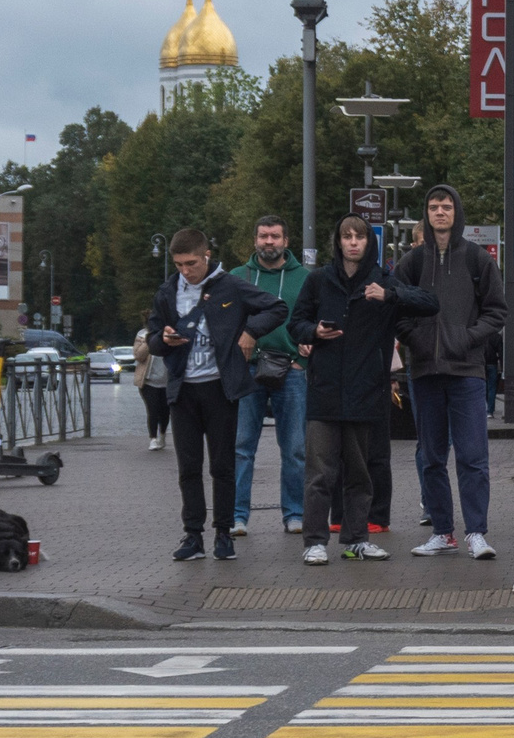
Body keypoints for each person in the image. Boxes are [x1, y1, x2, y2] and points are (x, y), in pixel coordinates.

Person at [293, 215, 438, 563]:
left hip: (366, 390)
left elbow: (429, 303)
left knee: (360, 472)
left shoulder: (384, 279)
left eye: (359, 236)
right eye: (347, 236)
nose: (353, 242)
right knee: (320, 473)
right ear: (338, 242)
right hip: (325, 391)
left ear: (368, 242)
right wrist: (314, 333)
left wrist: (389, 295)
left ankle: (356, 538)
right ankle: (314, 541)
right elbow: (295, 324)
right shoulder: (319, 280)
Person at [147, 228, 291, 563]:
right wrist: (163, 339)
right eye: (180, 264)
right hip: (182, 389)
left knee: (223, 465)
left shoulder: (229, 285)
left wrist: (250, 332)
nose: (186, 270)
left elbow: (277, 308)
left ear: (206, 255)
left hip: (219, 387)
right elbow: (153, 335)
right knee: (188, 467)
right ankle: (193, 535)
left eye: (192, 263)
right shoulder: (168, 290)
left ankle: (223, 534)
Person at [396, 184, 508, 561]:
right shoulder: (411, 262)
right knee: (431, 456)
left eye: (446, 206)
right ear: (425, 214)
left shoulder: (477, 259)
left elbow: (497, 311)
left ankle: (477, 531)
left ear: (456, 212)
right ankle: (443, 532)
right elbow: (394, 308)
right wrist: (416, 339)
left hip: (466, 371)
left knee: (473, 455)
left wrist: (466, 339)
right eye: (433, 207)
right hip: (424, 370)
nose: (440, 212)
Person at [227, 214, 311, 538]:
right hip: (248, 371)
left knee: (294, 448)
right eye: (263, 236)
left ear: (286, 241)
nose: (269, 242)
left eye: (275, 236)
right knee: (241, 446)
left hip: (290, 370)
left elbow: (311, 320)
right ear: (255, 240)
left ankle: (294, 513)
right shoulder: (238, 277)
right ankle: (237, 517)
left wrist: (304, 357)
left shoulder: (304, 278)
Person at [133, 327, 170, 449]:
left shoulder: (170, 331)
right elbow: (138, 356)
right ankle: (153, 438)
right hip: (148, 381)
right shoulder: (142, 334)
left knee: (165, 411)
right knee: (152, 409)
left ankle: (162, 435)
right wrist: (149, 340)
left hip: (167, 381)